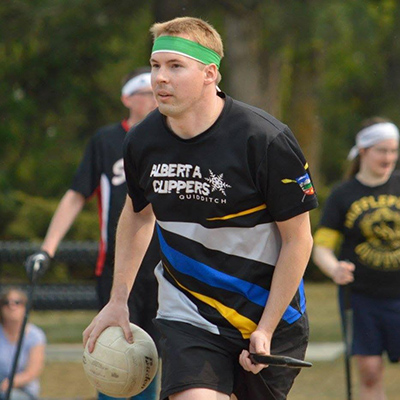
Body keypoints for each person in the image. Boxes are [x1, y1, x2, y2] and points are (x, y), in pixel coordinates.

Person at [83, 16, 318, 400]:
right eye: (156, 65)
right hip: (187, 313)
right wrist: (118, 299)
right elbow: (138, 215)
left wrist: (266, 327)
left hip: (265, 315)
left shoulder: (264, 139)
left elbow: (298, 240)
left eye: (176, 67)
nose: (159, 78)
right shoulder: (143, 141)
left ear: (210, 73)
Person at [24, 68, 160, 400]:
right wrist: (48, 249)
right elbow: (75, 196)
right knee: (111, 351)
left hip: (164, 267)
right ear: (128, 98)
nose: (155, 96)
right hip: (116, 266)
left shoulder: (171, 137)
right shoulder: (106, 141)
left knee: (151, 356)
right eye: (146, 92)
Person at [313, 117, 400, 399]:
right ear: (363, 151)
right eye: (382, 150)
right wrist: (334, 268)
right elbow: (321, 247)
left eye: (393, 150)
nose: (389, 158)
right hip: (361, 298)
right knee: (371, 371)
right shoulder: (343, 194)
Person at [0, 288, 46, 400]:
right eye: (6, 302)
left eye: (17, 302)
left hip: (23, 391)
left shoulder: (35, 336)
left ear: (25, 307)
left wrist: (10, 383)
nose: (12, 306)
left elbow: (33, 371)